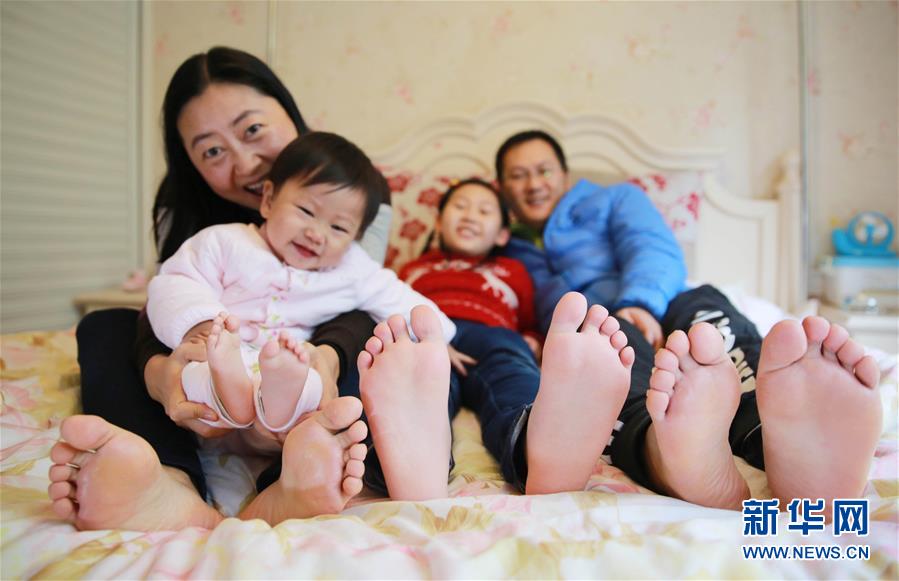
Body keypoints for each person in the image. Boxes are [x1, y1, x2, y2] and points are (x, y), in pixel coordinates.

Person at [47, 47, 392, 531]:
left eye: (252, 130)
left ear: (288, 113)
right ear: (190, 162)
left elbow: (356, 304)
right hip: (215, 360)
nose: (245, 164)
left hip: (308, 354)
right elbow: (169, 296)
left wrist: (326, 359)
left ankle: (289, 482)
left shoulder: (352, 190)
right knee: (105, 325)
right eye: (212, 151)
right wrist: (160, 373)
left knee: (379, 343)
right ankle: (168, 482)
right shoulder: (183, 209)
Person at [493, 129, 883, 511]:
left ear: (564, 175)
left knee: (712, 330)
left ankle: (779, 436)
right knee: (610, 370)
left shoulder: (614, 199)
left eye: (543, 170)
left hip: (666, 299)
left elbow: (652, 248)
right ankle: (667, 452)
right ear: (503, 187)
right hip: (601, 330)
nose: (534, 184)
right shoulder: (502, 244)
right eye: (518, 175)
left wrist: (640, 303)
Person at [146, 131, 455, 443]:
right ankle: (232, 391)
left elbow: (401, 300)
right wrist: (200, 324)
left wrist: (437, 338)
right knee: (195, 373)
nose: (316, 234)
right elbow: (177, 282)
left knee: (311, 383)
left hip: (285, 374)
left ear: (355, 239)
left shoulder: (352, 270)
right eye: (306, 211)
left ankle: (284, 416)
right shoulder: (225, 242)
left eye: (338, 227)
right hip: (221, 360)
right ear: (268, 199)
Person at [371, 178, 635, 495]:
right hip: (429, 338)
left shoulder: (513, 270)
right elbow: (390, 303)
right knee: (415, 377)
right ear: (438, 222)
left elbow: (528, 319)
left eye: (484, 211)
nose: (470, 216)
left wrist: (533, 340)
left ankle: (535, 448)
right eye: (460, 207)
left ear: (502, 235)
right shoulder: (412, 268)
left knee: (512, 371)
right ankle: (406, 457)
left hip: (494, 334)